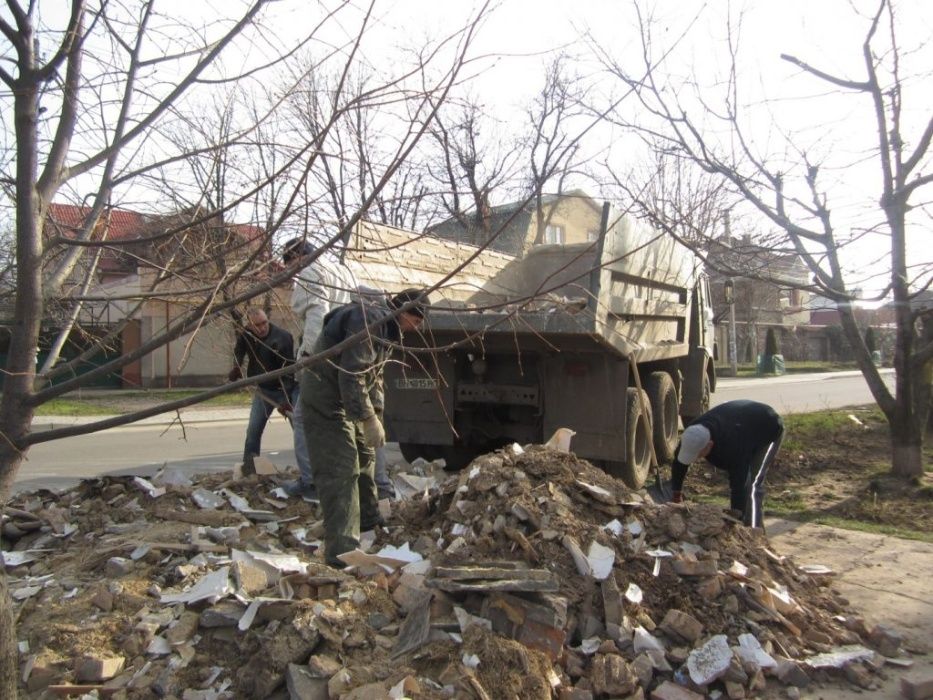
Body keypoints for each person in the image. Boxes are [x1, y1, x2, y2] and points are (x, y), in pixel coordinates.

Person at [301, 287, 430, 568]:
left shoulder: (386, 330)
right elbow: (353, 375)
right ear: (405, 312)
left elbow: (376, 376)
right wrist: (367, 418)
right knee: (341, 468)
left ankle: (369, 525)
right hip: (325, 398)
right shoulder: (370, 321)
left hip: (346, 399)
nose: (415, 329)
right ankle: (342, 553)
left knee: (366, 456)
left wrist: (377, 412)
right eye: (416, 322)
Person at [280, 237, 356, 500]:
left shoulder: (310, 273)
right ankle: (339, 477)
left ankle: (311, 482)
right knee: (337, 419)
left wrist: (307, 359)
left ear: (296, 258)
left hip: (321, 358)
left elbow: (317, 315)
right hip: (343, 355)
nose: (291, 273)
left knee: (302, 418)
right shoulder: (341, 270)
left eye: (289, 266)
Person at [669, 400, 784, 527]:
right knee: (744, 481)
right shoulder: (692, 434)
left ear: (709, 445)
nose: (694, 458)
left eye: (697, 455)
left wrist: (735, 517)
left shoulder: (733, 448)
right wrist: (676, 493)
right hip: (741, 423)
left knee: (753, 485)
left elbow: (740, 484)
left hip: (768, 426)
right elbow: (680, 464)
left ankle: (754, 531)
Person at [228, 308, 297, 475]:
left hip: (284, 390)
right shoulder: (247, 334)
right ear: (250, 326)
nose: (262, 328)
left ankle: (310, 471)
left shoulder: (283, 338)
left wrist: (287, 399)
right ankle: (249, 470)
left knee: (300, 430)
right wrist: (236, 366)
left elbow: (289, 371)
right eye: (257, 325)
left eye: (264, 323)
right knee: (253, 431)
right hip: (263, 391)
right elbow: (239, 350)